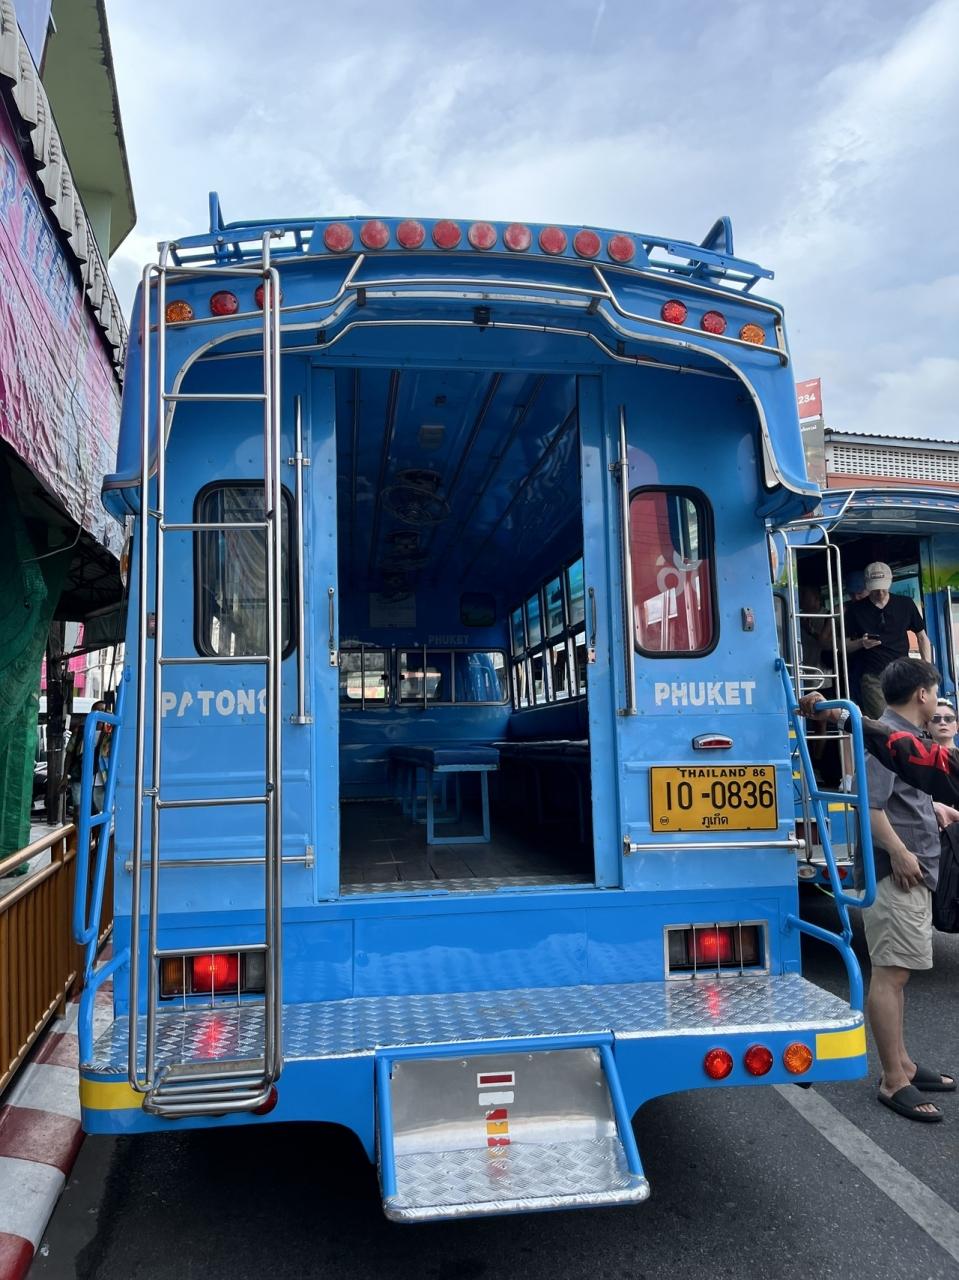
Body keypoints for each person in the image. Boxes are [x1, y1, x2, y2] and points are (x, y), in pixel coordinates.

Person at [851, 660, 955, 1120]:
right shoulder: (886, 740)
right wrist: (899, 852)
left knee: (899, 974)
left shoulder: (902, 736)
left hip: (913, 870)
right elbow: (870, 808)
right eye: (934, 690)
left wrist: (933, 809)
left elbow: (900, 798)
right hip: (897, 873)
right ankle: (893, 1080)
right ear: (922, 695)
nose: (937, 699)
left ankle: (905, 1064)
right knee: (890, 975)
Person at [844, 562, 931, 718]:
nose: (880, 592)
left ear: (890, 582)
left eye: (883, 587)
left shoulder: (905, 604)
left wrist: (927, 668)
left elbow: (922, 637)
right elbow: (844, 645)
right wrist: (861, 643)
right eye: (875, 588)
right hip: (873, 677)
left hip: (903, 674)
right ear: (867, 585)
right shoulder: (855, 610)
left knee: (908, 720)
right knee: (883, 722)